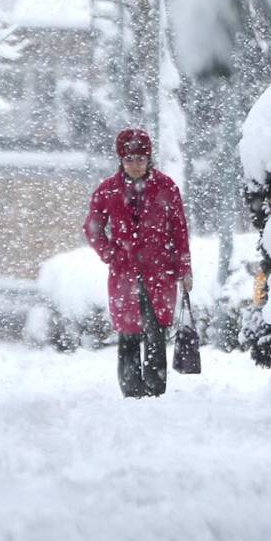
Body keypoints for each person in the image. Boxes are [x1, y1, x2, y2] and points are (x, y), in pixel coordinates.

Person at [84, 128, 192, 398]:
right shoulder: (108, 190)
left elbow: (179, 231)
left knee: (156, 333)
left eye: (141, 159)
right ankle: (131, 391)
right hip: (124, 274)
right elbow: (93, 229)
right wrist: (111, 254)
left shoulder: (166, 188)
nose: (135, 165)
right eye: (130, 159)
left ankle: (155, 390)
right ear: (121, 160)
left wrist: (184, 269)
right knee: (129, 333)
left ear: (149, 159)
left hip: (160, 272)